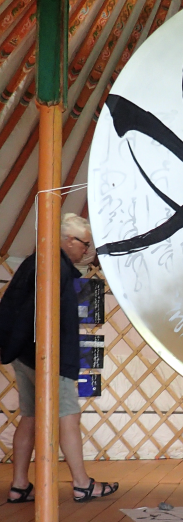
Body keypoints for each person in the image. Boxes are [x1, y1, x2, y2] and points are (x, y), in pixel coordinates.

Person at [0, 212, 118, 504]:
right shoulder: (55, 267)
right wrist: (56, 359)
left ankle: (19, 486)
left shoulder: (36, 261)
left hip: (23, 353)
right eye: (84, 244)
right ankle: (82, 484)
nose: (86, 250)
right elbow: (50, 318)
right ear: (67, 240)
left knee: (30, 417)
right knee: (69, 415)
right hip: (47, 356)